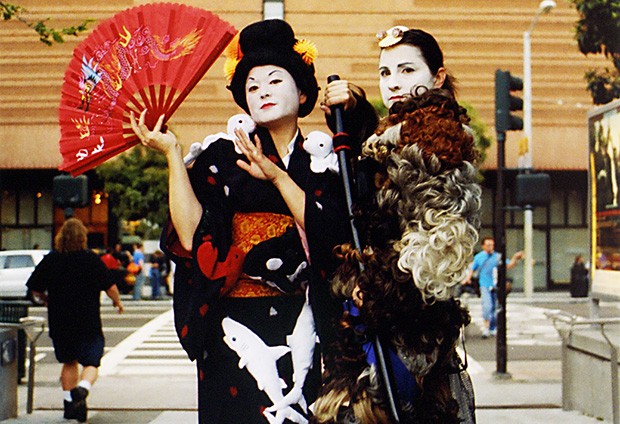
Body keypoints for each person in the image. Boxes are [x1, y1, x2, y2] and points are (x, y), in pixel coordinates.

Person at [130, 19, 352, 423]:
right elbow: (192, 234)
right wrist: (172, 154)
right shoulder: (220, 157)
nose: (262, 91)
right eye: (252, 87)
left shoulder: (324, 162)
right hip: (233, 325)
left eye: (274, 81)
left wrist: (279, 176)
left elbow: (331, 238)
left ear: (302, 93)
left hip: (305, 319)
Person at [312, 27, 479, 423]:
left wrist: (372, 287)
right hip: (380, 324)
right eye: (385, 73)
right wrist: (354, 112)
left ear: (437, 77)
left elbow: (441, 246)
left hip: (408, 333)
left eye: (407, 70)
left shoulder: (438, 140)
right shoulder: (394, 134)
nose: (394, 83)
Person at [25, 218, 124, 423]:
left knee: (68, 361)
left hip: (60, 321)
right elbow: (110, 287)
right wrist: (117, 302)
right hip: (88, 320)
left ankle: (70, 405)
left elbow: (34, 287)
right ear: (83, 238)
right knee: (91, 362)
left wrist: (45, 299)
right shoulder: (90, 259)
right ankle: (83, 389)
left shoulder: (52, 259)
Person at [463, 237, 523, 338]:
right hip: (484, 285)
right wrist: (467, 279)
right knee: (487, 306)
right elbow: (472, 269)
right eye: (488, 245)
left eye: (491, 245)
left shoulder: (497, 257)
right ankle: (486, 328)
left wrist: (515, 258)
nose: (490, 247)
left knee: (495, 308)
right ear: (483, 246)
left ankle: (492, 328)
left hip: (497, 286)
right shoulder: (479, 257)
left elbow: (508, 265)